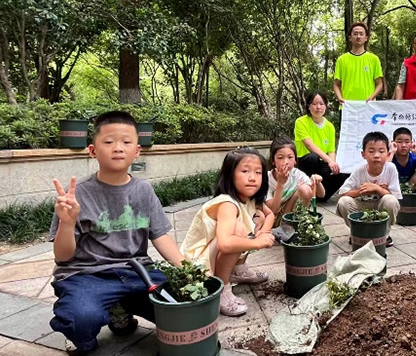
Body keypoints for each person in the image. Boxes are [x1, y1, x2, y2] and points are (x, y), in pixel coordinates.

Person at [49, 111, 185, 355]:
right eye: (109, 141)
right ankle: (83, 336)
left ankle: (120, 307)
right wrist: (67, 224)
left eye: (126, 142)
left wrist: (188, 270)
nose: (118, 148)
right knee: (81, 318)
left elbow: (160, 236)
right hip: (87, 275)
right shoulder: (77, 195)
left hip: (137, 272)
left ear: (137, 151)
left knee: (182, 304)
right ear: (93, 151)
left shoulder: (143, 190)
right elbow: (62, 257)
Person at [180, 147, 275, 316]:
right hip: (198, 265)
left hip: (213, 255)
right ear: (230, 175)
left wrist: (264, 232)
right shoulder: (227, 204)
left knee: (258, 217)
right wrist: (256, 242)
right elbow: (225, 244)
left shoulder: (250, 199)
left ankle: (238, 270)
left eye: (258, 172)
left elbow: (270, 215)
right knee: (238, 229)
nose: (252, 177)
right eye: (245, 171)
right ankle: (221, 288)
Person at [336, 131, 402, 246]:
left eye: (381, 151)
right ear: (363, 154)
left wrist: (377, 189)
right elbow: (342, 192)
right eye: (371, 151)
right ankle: (357, 232)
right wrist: (361, 191)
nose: (376, 155)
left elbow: (396, 196)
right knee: (344, 202)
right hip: (362, 206)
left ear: (388, 154)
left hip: (380, 205)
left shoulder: (391, 169)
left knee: (390, 200)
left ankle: (384, 234)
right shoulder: (359, 171)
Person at [295, 91, 349, 201]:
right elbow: (310, 146)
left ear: (325, 106)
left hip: (322, 163)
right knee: (313, 157)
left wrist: (333, 165)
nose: (318, 107)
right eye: (314, 104)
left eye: (321, 103)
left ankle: (322, 196)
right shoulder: (301, 122)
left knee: (344, 171)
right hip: (306, 162)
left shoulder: (330, 126)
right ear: (308, 106)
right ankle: (308, 193)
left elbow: (331, 150)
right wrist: (329, 161)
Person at [266, 137, 324, 225]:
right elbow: (273, 210)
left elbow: (321, 194)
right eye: (280, 158)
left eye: (290, 157)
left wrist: (317, 183)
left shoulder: (297, 174)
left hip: (289, 214)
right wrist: (280, 183)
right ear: (273, 161)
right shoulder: (266, 178)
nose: (286, 162)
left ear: (295, 160)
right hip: (272, 219)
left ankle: (296, 224)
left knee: (305, 189)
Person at [333, 22, 384, 105]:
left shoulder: (374, 59)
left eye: (361, 34)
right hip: (347, 106)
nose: (358, 36)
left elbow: (379, 84)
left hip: (368, 105)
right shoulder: (341, 60)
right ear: (350, 37)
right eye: (355, 34)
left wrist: (372, 97)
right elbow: (336, 84)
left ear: (366, 38)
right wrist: (339, 97)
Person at [389, 127, 416, 218]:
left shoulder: (413, 157)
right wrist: (392, 152)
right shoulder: (390, 157)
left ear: (412, 143)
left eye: (407, 142)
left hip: (408, 187)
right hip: (393, 190)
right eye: (399, 142)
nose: (403, 145)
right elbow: (382, 171)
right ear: (393, 143)